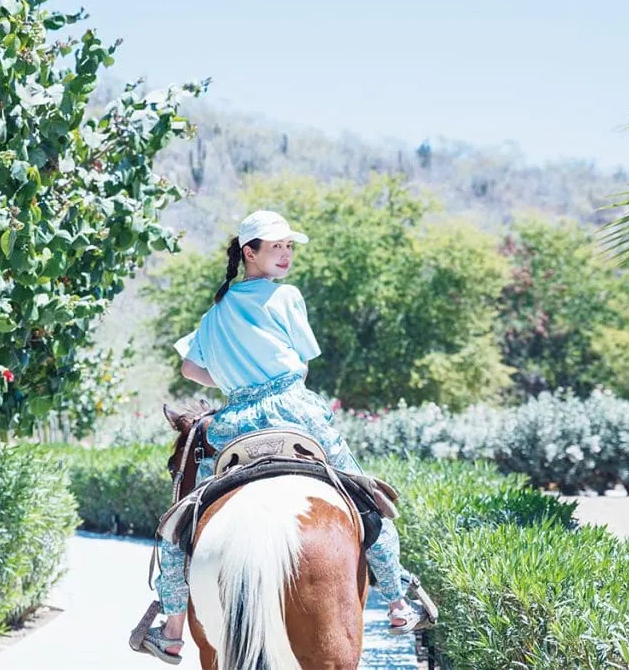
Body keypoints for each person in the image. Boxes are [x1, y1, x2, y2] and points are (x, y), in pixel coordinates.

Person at [137, 210, 433, 665]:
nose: (285, 254)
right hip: (295, 411)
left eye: (289, 247)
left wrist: (234, 382)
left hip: (235, 421)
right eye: (276, 247)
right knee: (369, 498)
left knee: (182, 523)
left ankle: (173, 629)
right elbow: (304, 362)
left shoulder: (215, 312)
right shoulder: (287, 297)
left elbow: (188, 369)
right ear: (249, 252)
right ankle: (397, 598)